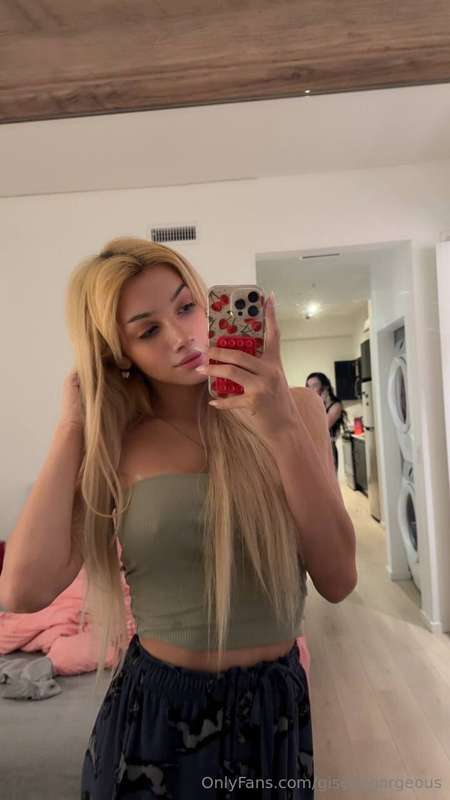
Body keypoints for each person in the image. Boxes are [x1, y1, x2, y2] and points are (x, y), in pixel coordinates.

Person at [0, 238, 357, 799]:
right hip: (157, 720)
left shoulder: (298, 410)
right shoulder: (117, 443)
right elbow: (22, 590)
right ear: (120, 353)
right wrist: (72, 427)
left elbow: (338, 580)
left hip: (276, 709)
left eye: (187, 307)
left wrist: (280, 426)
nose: (181, 336)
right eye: (147, 330)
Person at [305, 373, 347, 473]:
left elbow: (322, 426)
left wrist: (319, 403)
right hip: (313, 449)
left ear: (325, 387)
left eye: (315, 385)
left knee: (329, 481)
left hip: (328, 449)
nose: (311, 390)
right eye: (308, 386)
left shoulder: (336, 406)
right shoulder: (310, 405)